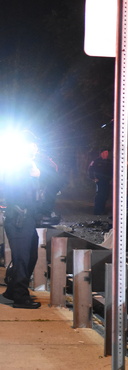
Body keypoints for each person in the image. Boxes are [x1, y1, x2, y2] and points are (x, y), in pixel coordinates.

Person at [2, 131, 42, 309]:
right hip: (18, 216)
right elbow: (12, 188)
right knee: (22, 258)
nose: (34, 149)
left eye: (35, 146)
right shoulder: (16, 167)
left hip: (28, 217)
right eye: (31, 146)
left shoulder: (32, 165)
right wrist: (31, 175)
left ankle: (12, 292)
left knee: (31, 255)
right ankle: (19, 296)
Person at [87, 148, 112, 215]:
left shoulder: (109, 161)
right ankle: (97, 210)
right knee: (100, 195)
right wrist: (93, 178)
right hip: (99, 181)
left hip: (107, 181)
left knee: (105, 195)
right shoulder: (96, 161)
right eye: (105, 152)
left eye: (107, 153)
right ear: (101, 153)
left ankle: (102, 210)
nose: (107, 154)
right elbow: (90, 170)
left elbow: (112, 171)